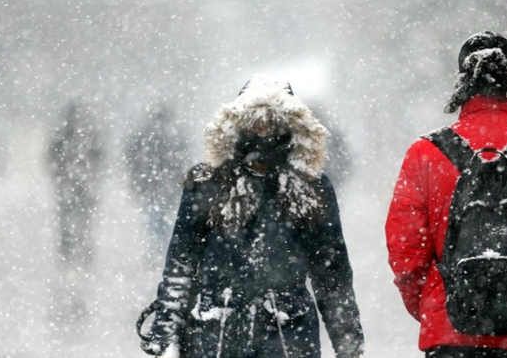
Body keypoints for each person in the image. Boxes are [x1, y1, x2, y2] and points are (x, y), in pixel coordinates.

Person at [385, 31, 507, 358]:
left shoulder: (424, 154)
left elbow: (406, 253)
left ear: (460, 82)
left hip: (449, 334)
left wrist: (436, 305)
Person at [139, 74, 364, 358]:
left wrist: (349, 345)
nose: (263, 130)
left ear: (292, 126)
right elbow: (181, 265)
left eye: (273, 121)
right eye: (255, 121)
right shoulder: (208, 182)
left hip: (289, 335)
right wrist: (165, 335)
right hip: (216, 334)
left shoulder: (312, 187)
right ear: (237, 124)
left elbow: (332, 276)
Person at [125, 103, 189, 263]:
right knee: (164, 217)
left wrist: (137, 180)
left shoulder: (144, 134)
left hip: (151, 184)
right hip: (165, 184)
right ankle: (162, 248)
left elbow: (132, 158)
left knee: (153, 217)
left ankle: (156, 249)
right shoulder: (174, 135)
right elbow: (181, 159)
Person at [48, 101, 104, 269]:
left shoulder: (61, 136)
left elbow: (51, 158)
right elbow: (99, 157)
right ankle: (82, 247)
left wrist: (59, 174)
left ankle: (68, 248)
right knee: (83, 218)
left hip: (68, 184)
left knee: (68, 218)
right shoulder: (89, 135)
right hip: (82, 183)